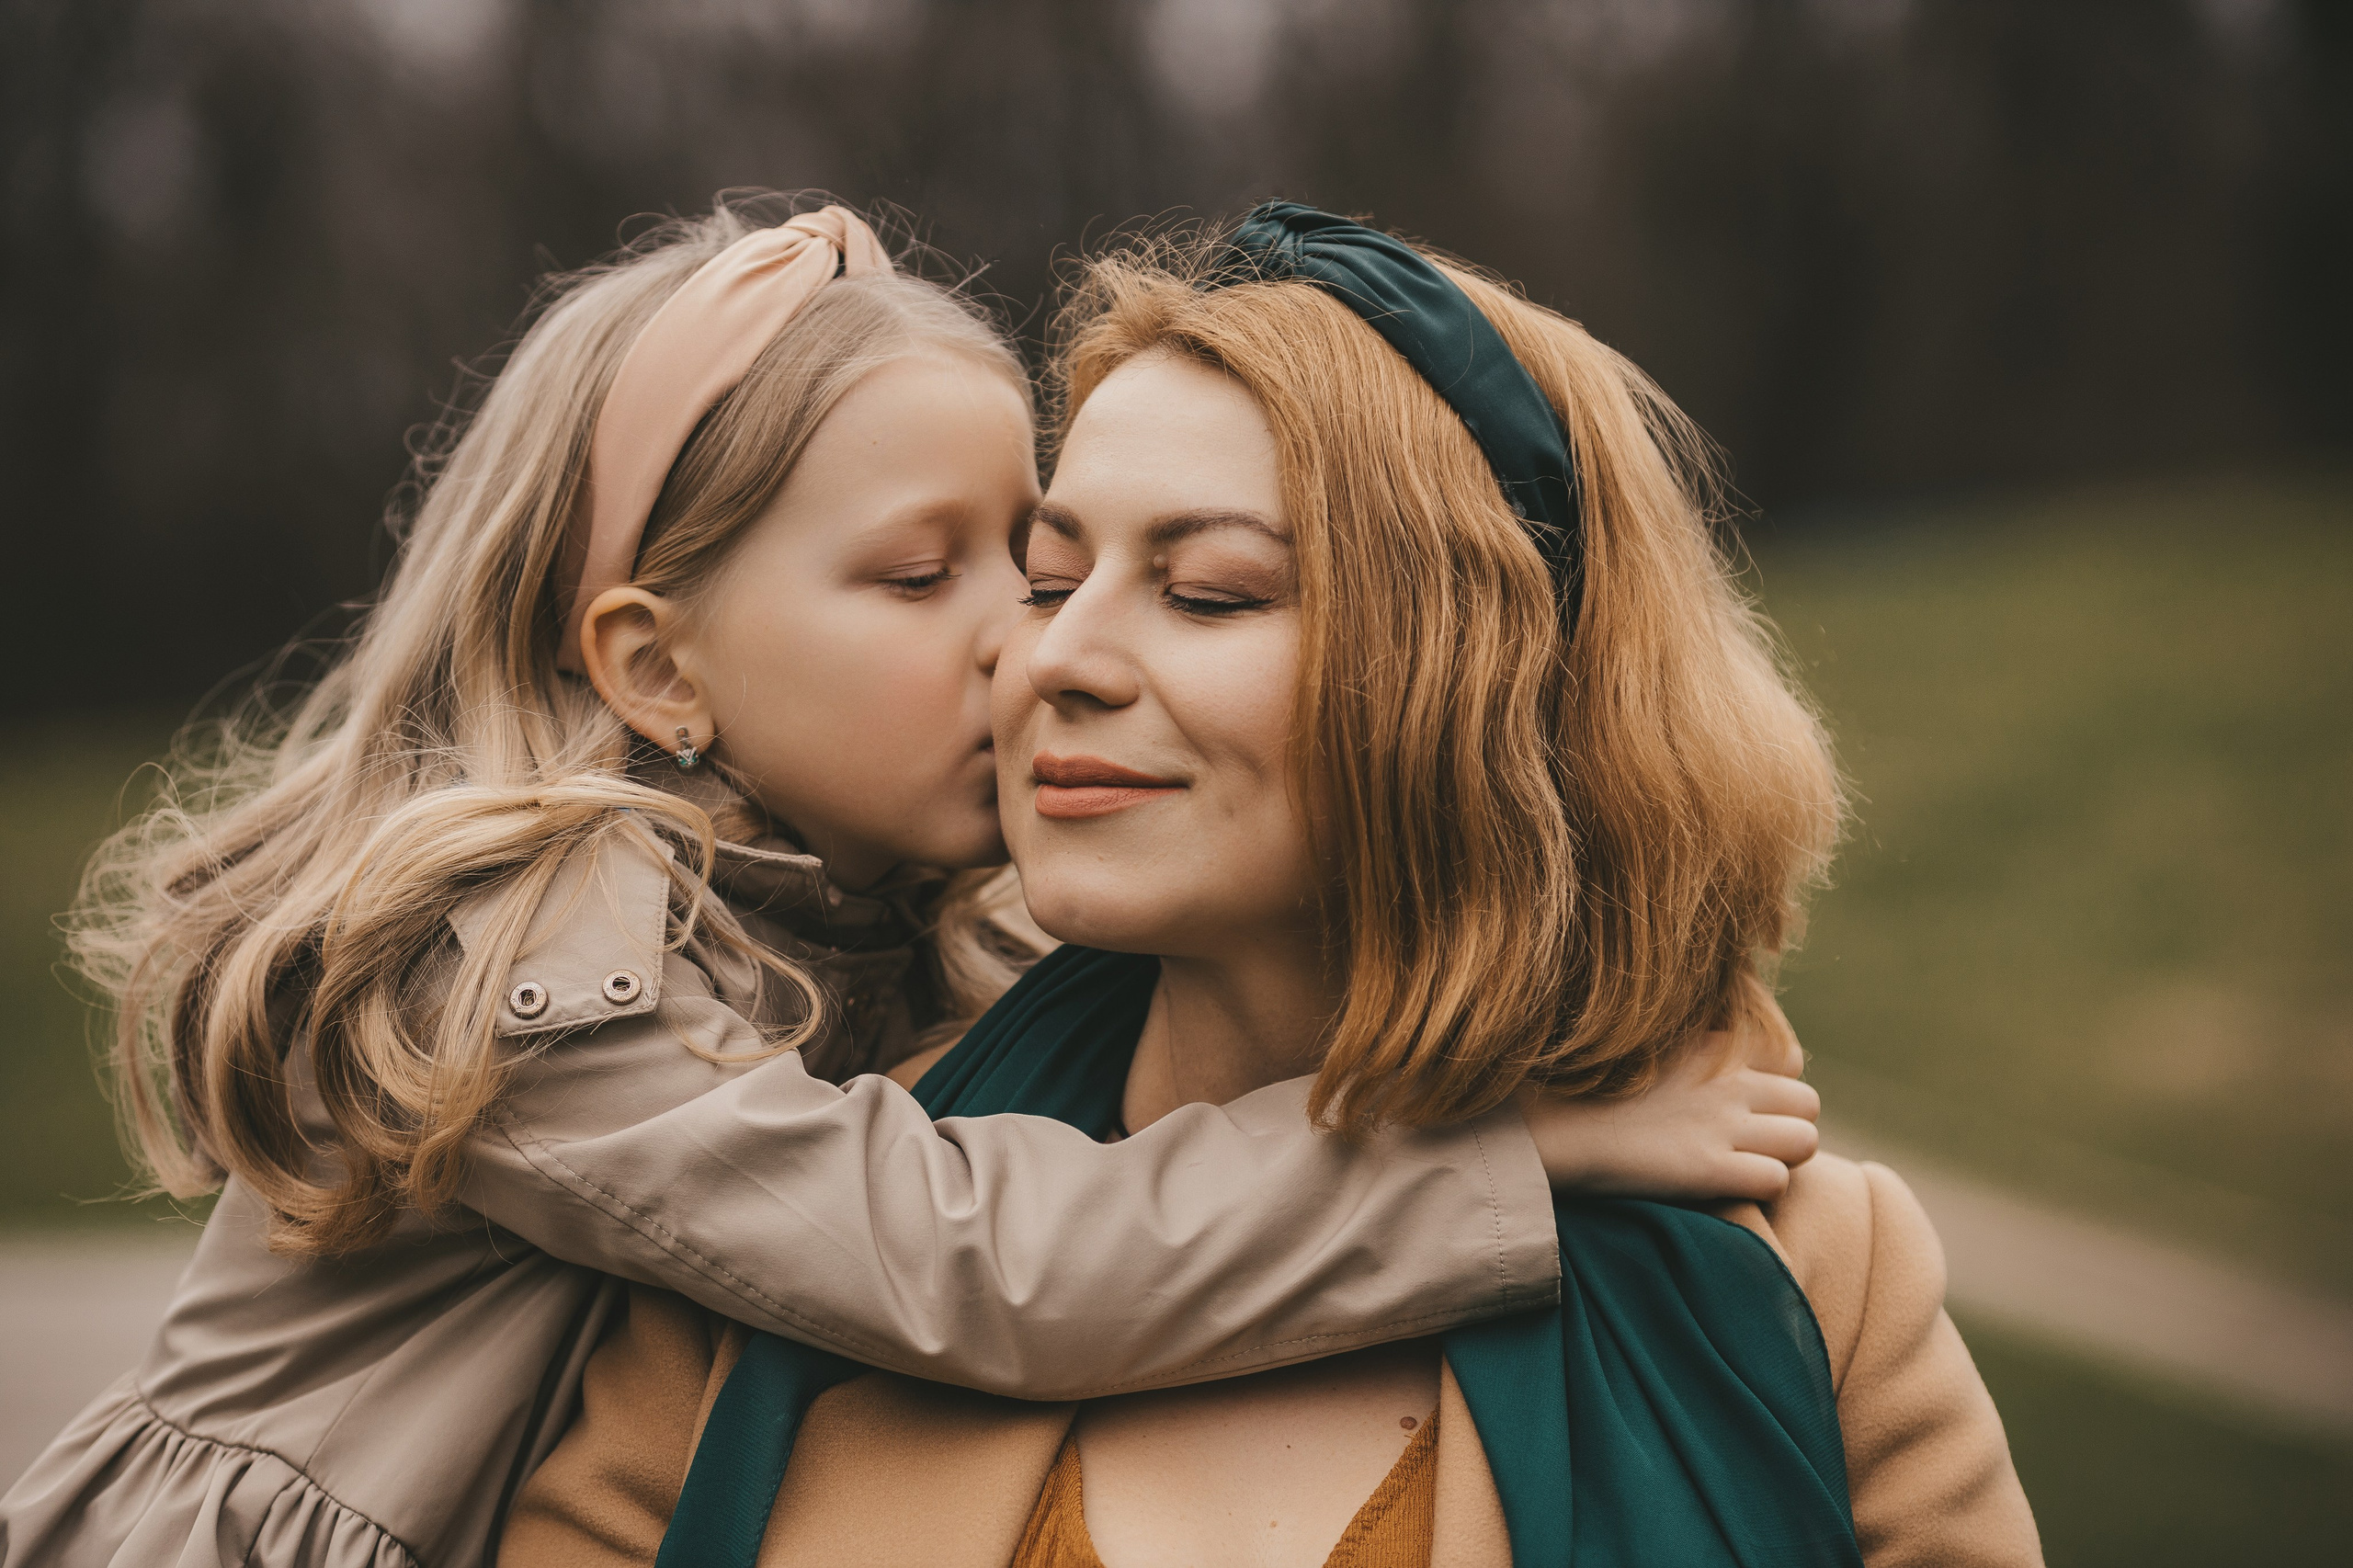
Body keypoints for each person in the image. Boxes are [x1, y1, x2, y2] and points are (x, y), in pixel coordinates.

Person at [0, 198, 1823, 1568]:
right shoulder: (531, 962)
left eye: (1028, 562)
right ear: (656, 668)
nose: (1032, 645)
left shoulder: (848, 917)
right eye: (916, 578)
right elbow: (973, 1257)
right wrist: (1491, 1158)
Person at [499, 206, 2040, 1568]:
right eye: (1053, 578)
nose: (1051, 656)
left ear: (1477, 688)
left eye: (1207, 591)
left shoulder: (1808, 1277)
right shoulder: (807, 1218)